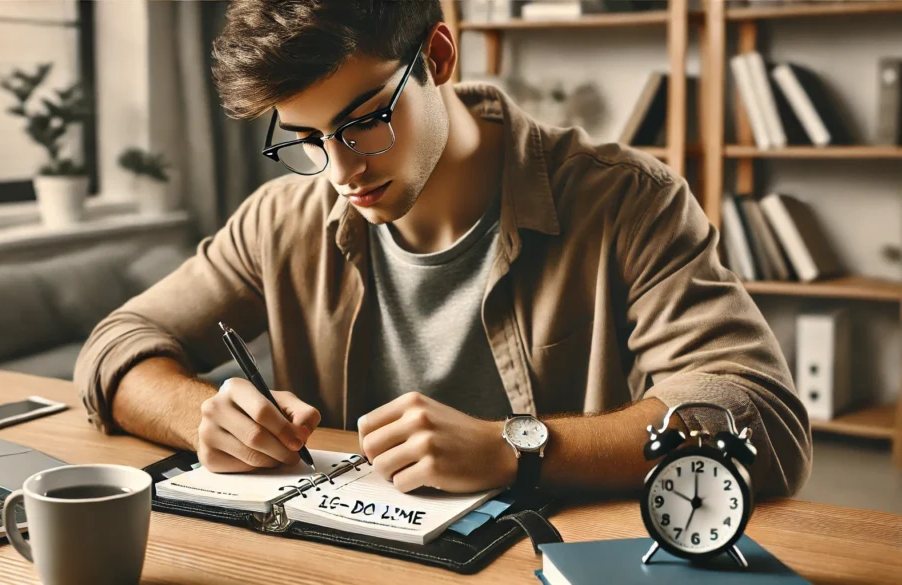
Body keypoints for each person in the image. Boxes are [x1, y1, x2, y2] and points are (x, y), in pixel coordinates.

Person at [76, 0, 811, 498]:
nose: (340, 172)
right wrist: (201, 414)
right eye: (304, 138)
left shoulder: (627, 199)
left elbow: (759, 417)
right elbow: (117, 345)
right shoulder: (282, 217)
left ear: (438, 54)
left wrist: (517, 449)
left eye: (363, 122)